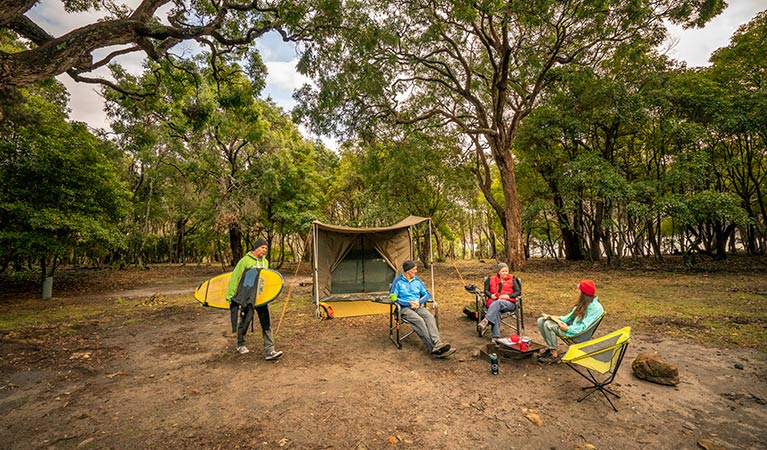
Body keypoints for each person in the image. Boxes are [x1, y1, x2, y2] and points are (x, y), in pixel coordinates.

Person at [226, 238, 283, 360]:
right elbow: (235, 277)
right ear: (256, 248)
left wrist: (269, 295)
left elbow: (266, 279)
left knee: (266, 323)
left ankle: (270, 350)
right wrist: (231, 296)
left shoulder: (265, 262)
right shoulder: (245, 261)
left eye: (266, 248)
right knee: (245, 321)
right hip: (248, 296)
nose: (264, 250)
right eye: (262, 247)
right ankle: (240, 343)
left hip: (261, 298)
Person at [389, 259, 456, 358]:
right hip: (404, 308)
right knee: (419, 320)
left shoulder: (417, 281)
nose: (416, 271)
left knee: (429, 317)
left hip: (417, 306)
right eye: (414, 269)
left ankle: (437, 343)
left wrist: (418, 302)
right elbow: (392, 297)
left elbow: (427, 294)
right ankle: (433, 348)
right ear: (408, 271)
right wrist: (407, 303)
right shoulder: (398, 281)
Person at [536, 279, 604, 364]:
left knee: (548, 325)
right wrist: (553, 317)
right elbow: (569, 318)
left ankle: (554, 355)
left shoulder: (595, 308)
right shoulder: (585, 303)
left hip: (577, 334)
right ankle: (551, 349)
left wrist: (568, 329)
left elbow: (583, 327)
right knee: (541, 320)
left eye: (578, 290)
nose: (576, 291)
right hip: (572, 327)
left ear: (583, 293)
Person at [478, 262, 521, 342]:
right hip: (493, 303)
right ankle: (495, 337)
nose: (505, 273)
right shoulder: (491, 279)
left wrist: (508, 296)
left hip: (509, 303)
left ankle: (486, 320)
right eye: (503, 271)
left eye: (506, 271)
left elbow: (518, 292)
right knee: (496, 309)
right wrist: (491, 295)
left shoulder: (512, 279)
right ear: (498, 272)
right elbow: (486, 291)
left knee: (498, 302)